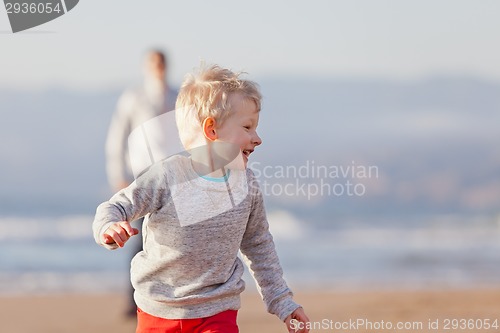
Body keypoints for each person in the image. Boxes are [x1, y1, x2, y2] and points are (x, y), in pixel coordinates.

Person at [93, 65, 310, 333]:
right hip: (158, 309)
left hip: (218, 312)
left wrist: (282, 301)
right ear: (211, 130)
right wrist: (109, 227)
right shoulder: (167, 176)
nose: (258, 138)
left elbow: (259, 245)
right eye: (247, 127)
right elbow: (115, 206)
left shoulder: (247, 185)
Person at [104, 49, 178, 316]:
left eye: (162, 63)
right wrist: (117, 175)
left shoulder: (177, 96)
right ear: (146, 67)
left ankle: (170, 299)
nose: (158, 68)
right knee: (138, 240)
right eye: (154, 63)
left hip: (175, 179)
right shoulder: (134, 97)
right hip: (143, 178)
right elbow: (117, 136)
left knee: (171, 237)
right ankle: (133, 301)